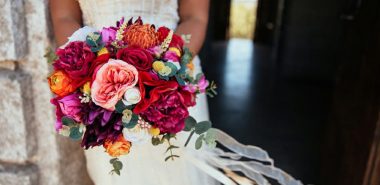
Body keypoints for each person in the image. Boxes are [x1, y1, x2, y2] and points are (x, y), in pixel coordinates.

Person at [49, 1, 303, 185]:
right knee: (116, 176)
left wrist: (160, 71)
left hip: (172, 80)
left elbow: (195, 17)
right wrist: (95, 70)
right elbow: (64, 17)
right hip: (100, 91)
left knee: (183, 173)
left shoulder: (169, 71)